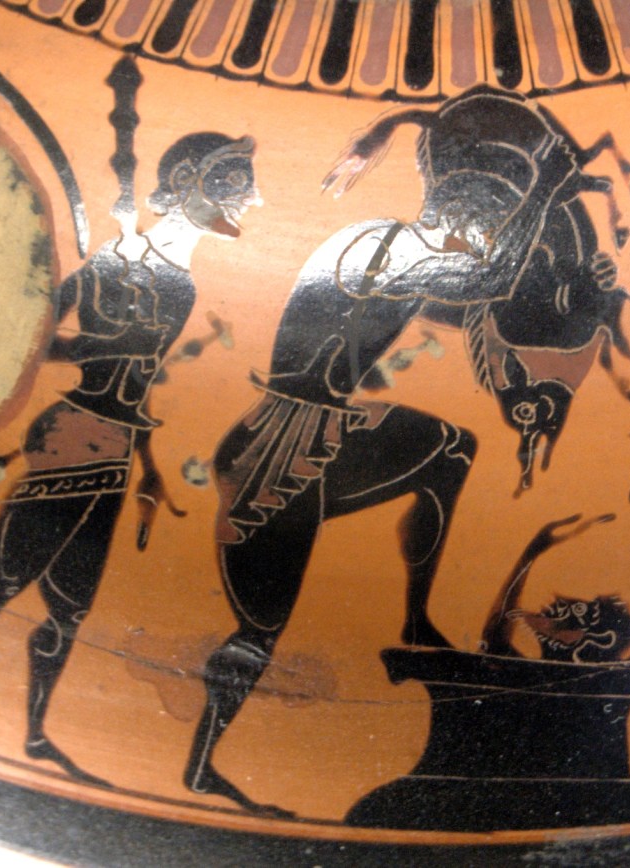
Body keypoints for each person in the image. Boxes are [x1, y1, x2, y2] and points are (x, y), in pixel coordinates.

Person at [183, 111, 590, 817]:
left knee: (451, 448)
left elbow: (479, 301)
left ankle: (416, 619)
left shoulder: (400, 250)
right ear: (457, 210)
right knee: (259, 631)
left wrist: (576, 298)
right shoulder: (387, 245)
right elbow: (487, 278)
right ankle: (199, 770)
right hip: (282, 443)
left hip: (329, 426)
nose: (482, 235)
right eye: (483, 221)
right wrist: (545, 193)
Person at [0, 132, 261, 786]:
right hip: (72, 431)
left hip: (118, 445)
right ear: (188, 181)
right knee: (5, 581)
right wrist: (98, 345)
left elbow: (139, 384)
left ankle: (35, 736)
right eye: (235, 182)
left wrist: (149, 465)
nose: (253, 199)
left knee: (70, 608)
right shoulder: (112, 257)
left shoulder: (182, 286)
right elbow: (40, 333)